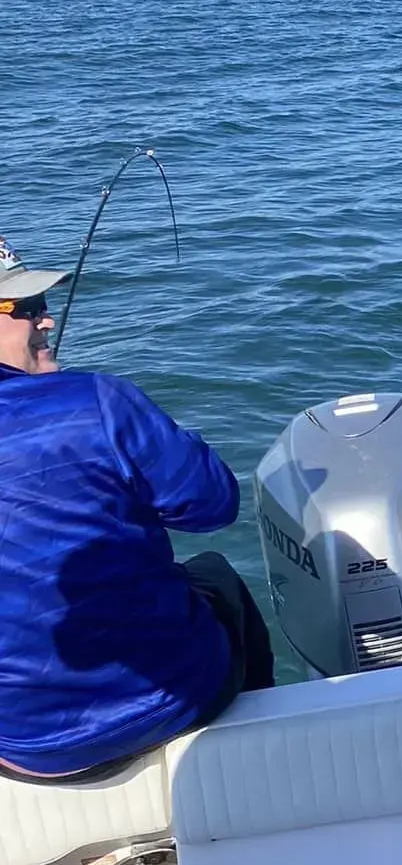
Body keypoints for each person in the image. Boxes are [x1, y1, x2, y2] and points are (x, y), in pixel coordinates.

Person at [0, 234, 275, 783]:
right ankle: (265, 771)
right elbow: (214, 504)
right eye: (26, 308)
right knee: (218, 574)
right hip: (173, 700)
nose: (46, 322)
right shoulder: (99, 402)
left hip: (24, 748)